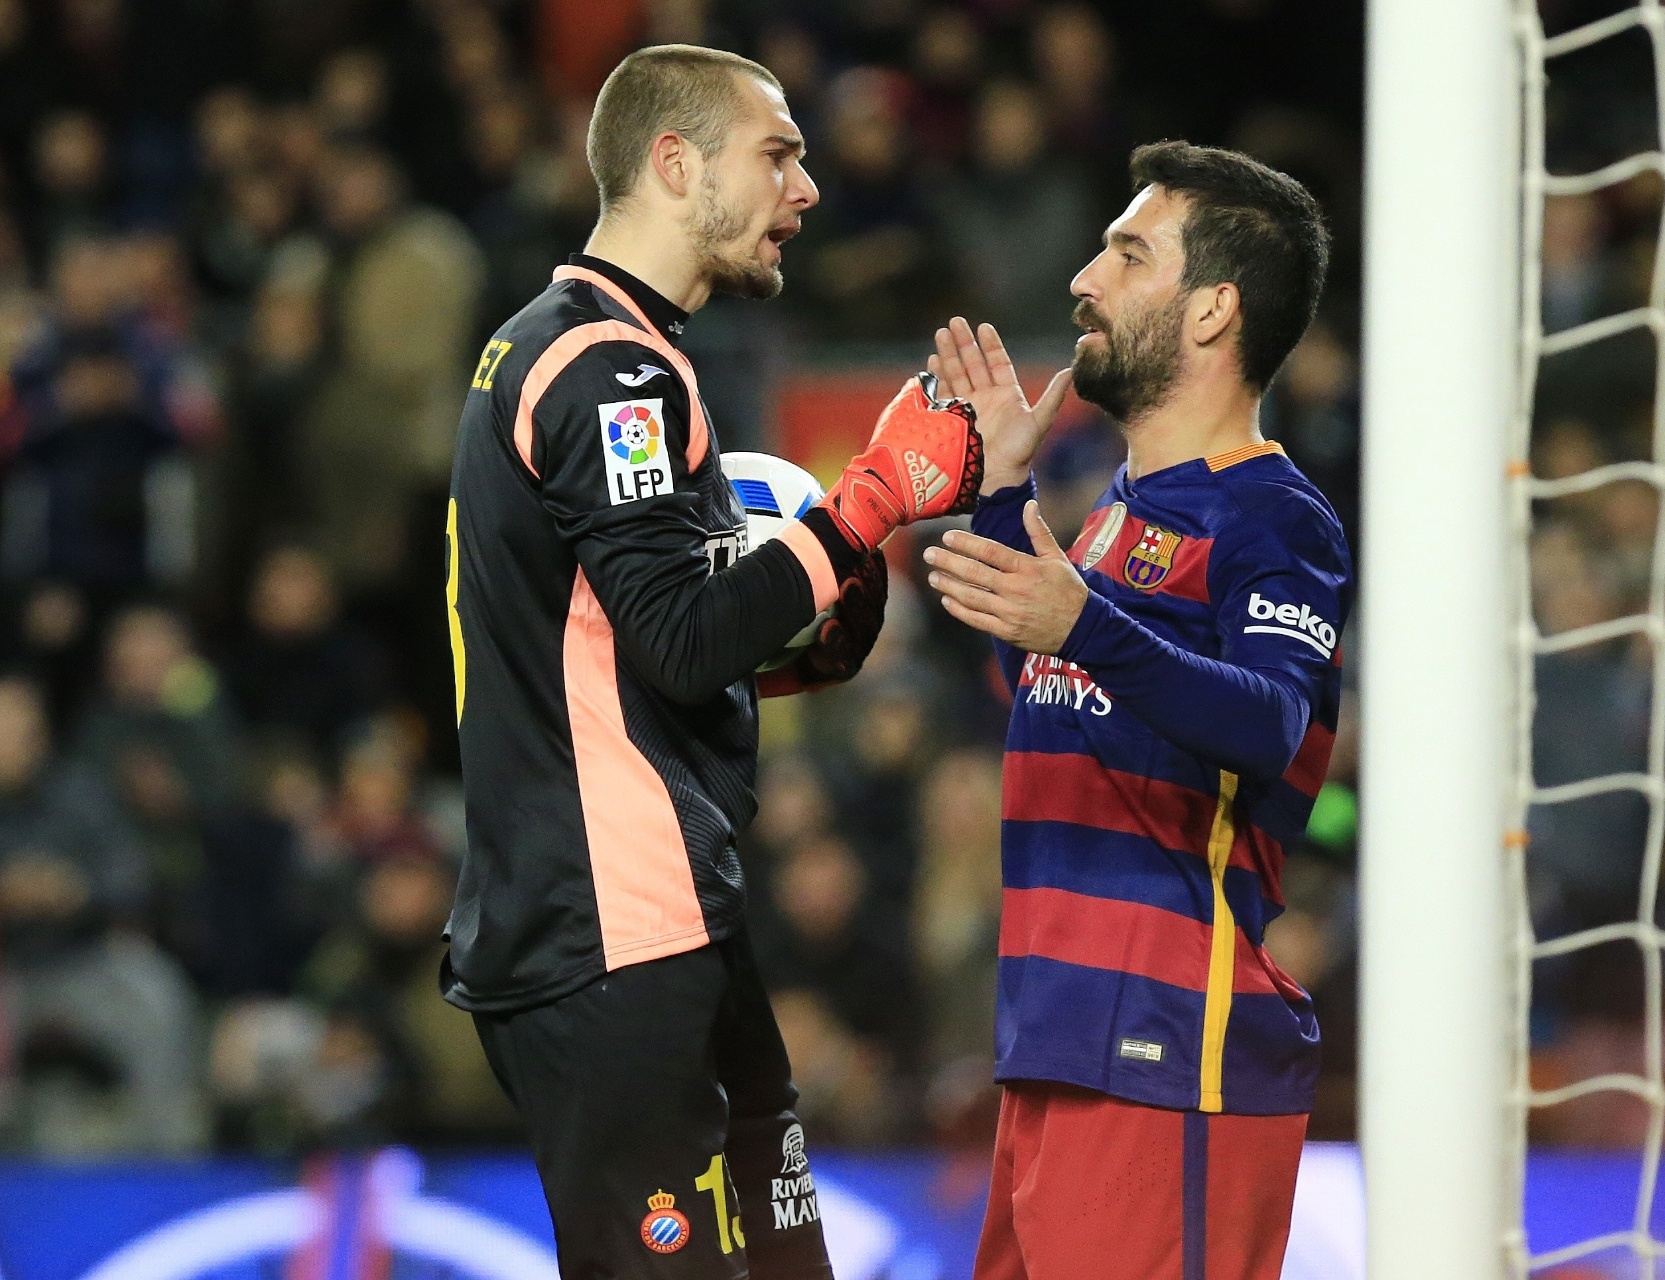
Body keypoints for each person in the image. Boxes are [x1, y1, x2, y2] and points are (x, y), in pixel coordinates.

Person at [439, 44, 994, 1280]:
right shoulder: (610, 370)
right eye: (779, 154)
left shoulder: (592, 348)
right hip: (609, 926)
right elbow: (683, 641)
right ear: (675, 164)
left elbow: (623, 643)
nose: (807, 191)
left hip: (663, 914)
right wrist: (863, 507)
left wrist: (802, 632)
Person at [922, 141, 1350, 1280]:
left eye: (1125, 252)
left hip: (1172, 1049)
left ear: (1212, 309)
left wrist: (1084, 625)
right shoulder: (1117, 509)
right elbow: (1073, 705)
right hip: (1057, 1038)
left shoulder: (1275, 516)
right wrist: (1009, 493)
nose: (1083, 279)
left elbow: (1265, 720)